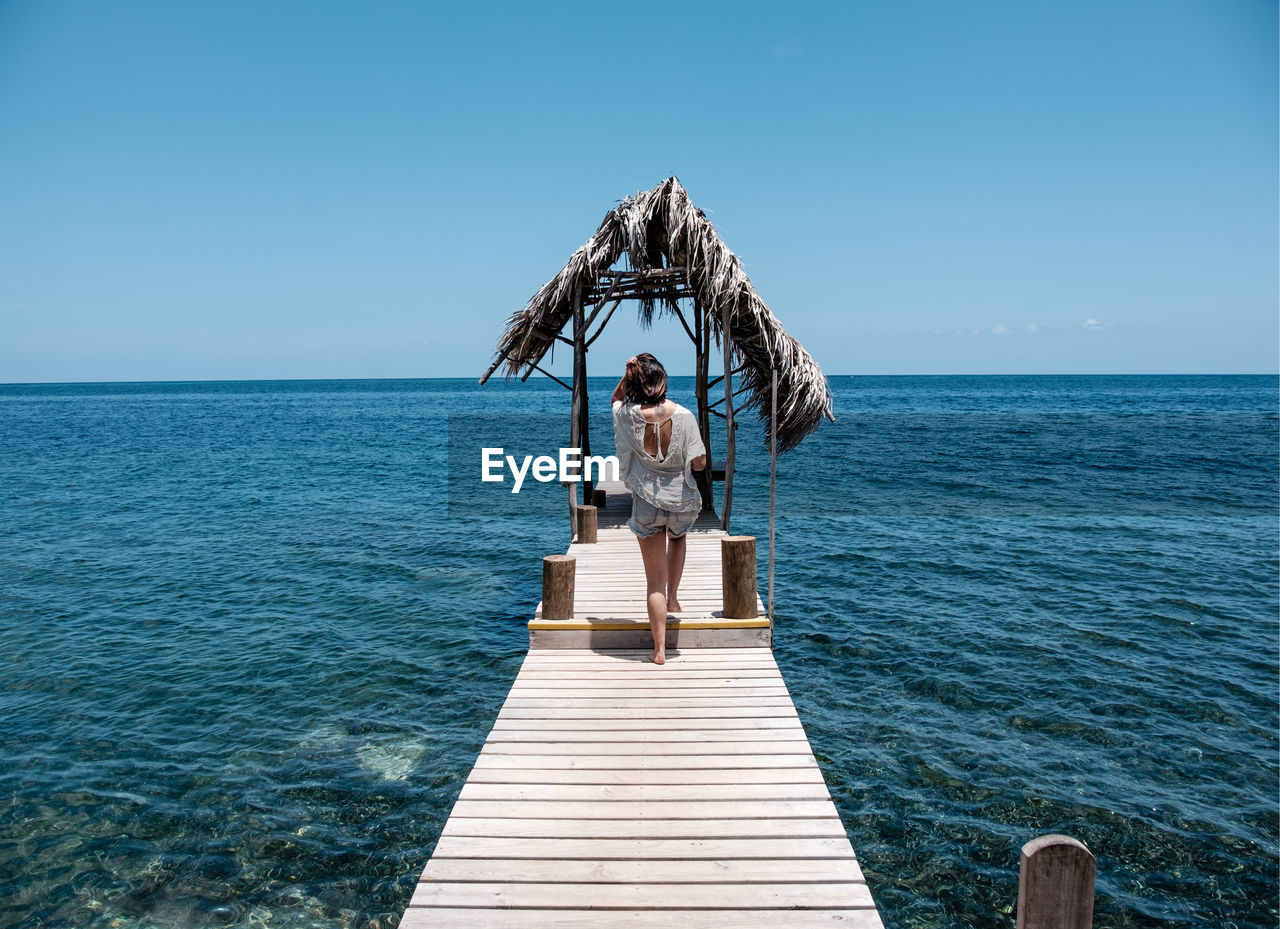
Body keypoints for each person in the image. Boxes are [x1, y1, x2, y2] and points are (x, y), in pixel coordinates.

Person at [611, 354, 707, 665]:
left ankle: (660, 650)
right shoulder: (685, 416)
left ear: (636, 383)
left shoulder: (627, 414)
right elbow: (700, 462)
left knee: (654, 581)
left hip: (647, 502)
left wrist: (628, 375)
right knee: (678, 538)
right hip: (679, 498)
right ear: (663, 379)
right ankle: (674, 599)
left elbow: (615, 398)